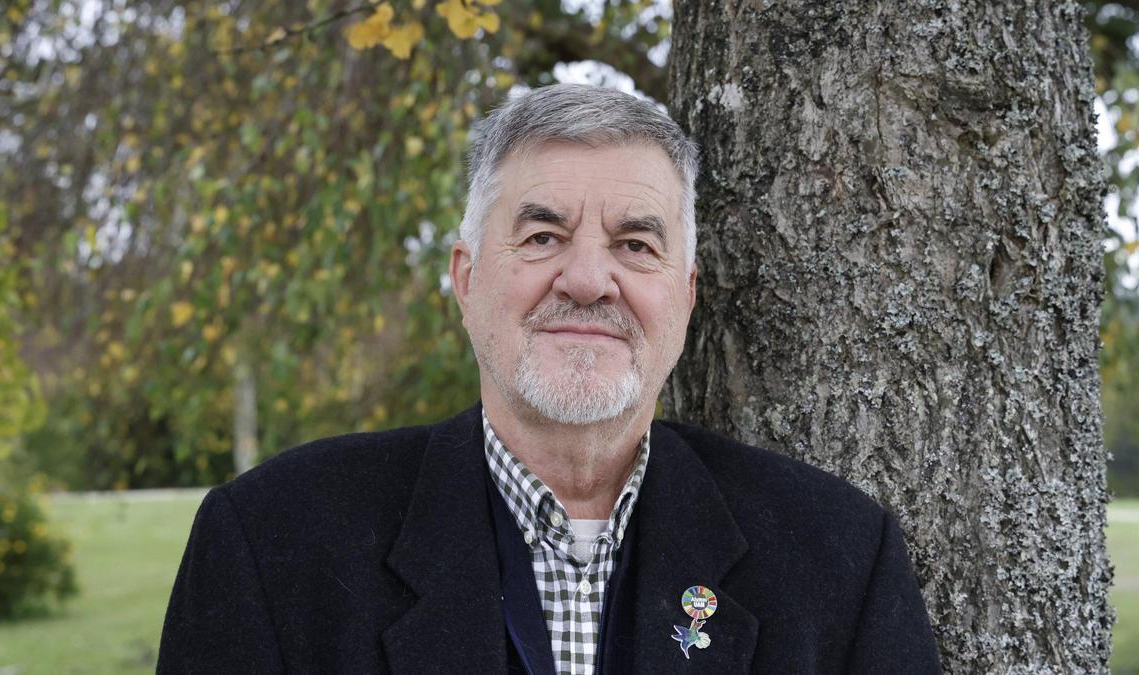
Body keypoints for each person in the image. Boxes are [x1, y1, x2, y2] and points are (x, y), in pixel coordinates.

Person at [157, 84, 941, 674]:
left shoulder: (837, 558)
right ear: (466, 279)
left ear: (686, 295)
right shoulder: (274, 545)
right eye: (542, 236)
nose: (589, 280)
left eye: (636, 245)